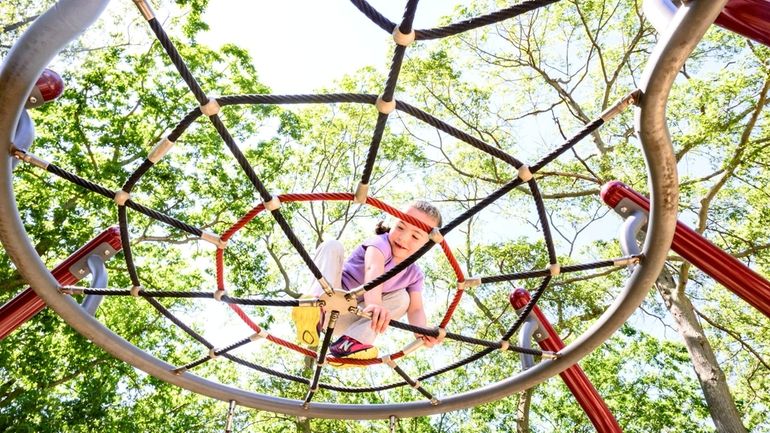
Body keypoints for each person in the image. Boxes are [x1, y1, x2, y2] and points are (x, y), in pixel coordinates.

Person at [292, 200, 445, 362]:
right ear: (392, 224)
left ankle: (351, 344)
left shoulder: (414, 274)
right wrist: (375, 304)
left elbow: (415, 309)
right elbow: (373, 268)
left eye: (415, 236)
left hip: (352, 320)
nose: (403, 237)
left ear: (426, 245)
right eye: (400, 227)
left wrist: (422, 332)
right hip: (330, 299)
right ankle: (312, 309)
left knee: (403, 298)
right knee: (332, 245)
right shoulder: (380, 243)